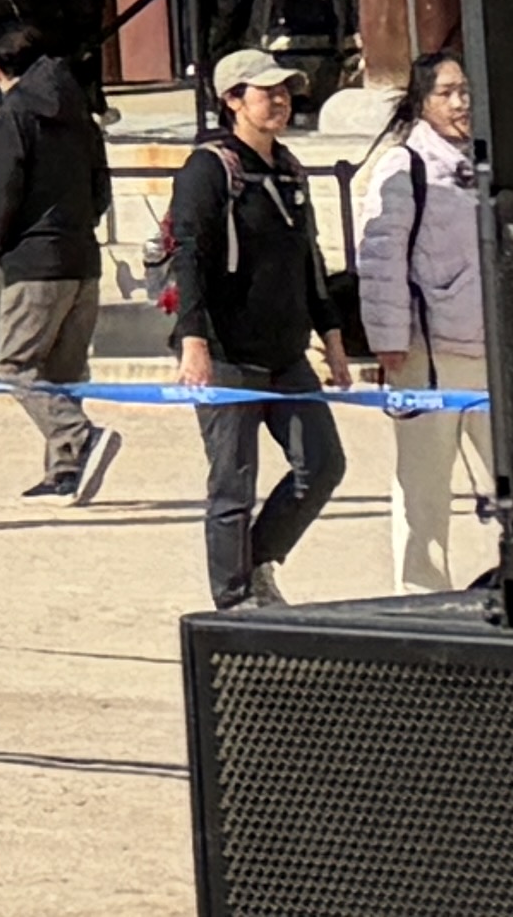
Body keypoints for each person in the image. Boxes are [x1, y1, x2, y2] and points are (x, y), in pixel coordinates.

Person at [165, 44, 354, 610]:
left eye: (284, 90)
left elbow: (308, 258)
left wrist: (333, 336)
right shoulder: (209, 168)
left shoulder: (289, 167)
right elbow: (189, 255)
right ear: (232, 100)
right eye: (265, 91)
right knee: (233, 484)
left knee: (321, 463)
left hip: (286, 351)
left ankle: (257, 560)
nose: (279, 100)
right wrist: (193, 342)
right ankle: (233, 595)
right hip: (227, 350)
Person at [350, 50, 490, 593]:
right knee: (425, 487)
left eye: (465, 91)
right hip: (428, 353)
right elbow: (380, 259)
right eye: (446, 92)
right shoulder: (403, 165)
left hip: (490, 353)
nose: (460, 103)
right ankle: (423, 592)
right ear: (421, 101)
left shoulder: (483, 159)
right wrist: (388, 342)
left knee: (512, 480)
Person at [0, 35, 121, 502]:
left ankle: (79, 436)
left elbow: (3, 191)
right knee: (63, 372)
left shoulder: (12, 116)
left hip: (36, 258)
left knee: (15, 365)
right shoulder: (82, 114)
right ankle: (65, 468)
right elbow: (102, 190)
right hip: (82, 253)